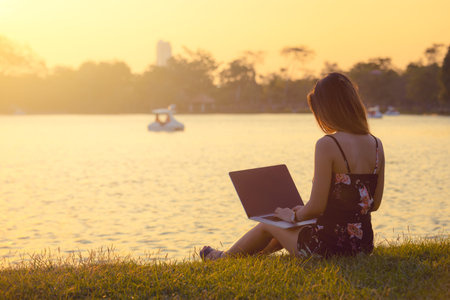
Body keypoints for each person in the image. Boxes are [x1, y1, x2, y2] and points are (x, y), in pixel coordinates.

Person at [200, 72, 385, 260]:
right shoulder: (377, 145)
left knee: (270, 224)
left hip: (327, 247)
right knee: (286, 226)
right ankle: (252, 257)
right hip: (362, 245)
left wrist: (293, 216)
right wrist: (299, 215)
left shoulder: (328, 144)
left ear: (328, 109)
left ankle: (222, 258)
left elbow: (316, 207)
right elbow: (374, 204)